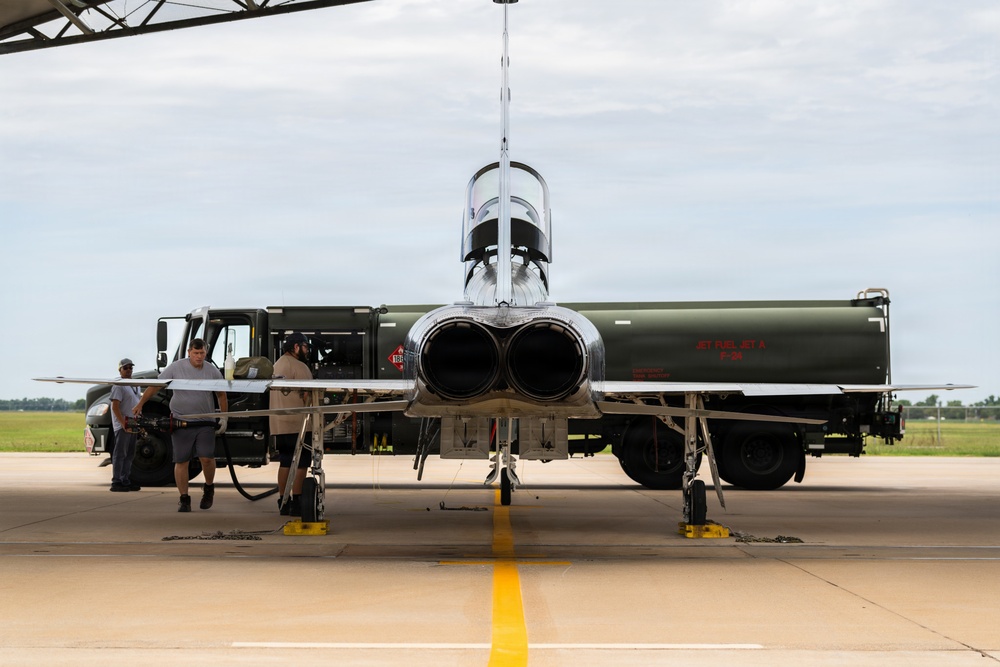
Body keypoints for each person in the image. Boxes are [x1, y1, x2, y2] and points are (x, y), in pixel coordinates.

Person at [133, 338, 228, 512]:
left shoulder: (212, 371)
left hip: (205, 421)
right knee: (181, 460)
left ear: (206, 353)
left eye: (202, 353)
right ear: (189, 353)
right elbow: (156, 386)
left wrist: (224, 417)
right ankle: (184, 498)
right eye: (196, 353)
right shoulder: (176, 367)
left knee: (207, 458)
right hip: (181, 421)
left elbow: (221, 394)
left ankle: (208, 488)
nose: (199, 357)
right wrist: (141, 404)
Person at [270, 332, 313, 516]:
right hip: (299, 424)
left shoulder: (277, 364)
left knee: (285, 461)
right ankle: (297, 500)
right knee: (302, 463)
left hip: (280, 423)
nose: (306, 351)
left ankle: (283, 500)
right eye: (305, 347)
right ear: (296, 347)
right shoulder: (300, 367)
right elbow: (308, 395)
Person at [109, 358, 141, 492]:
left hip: (133, 422)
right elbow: (115, 406)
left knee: (130, 453)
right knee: (120, 453)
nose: (128, 370)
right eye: (125, 368)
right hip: (123, 424)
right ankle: (116, 481)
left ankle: (125, 479)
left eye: (130, 368)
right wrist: (122, 423)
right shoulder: (119, 385)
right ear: (120, 370)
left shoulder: (135, 385)